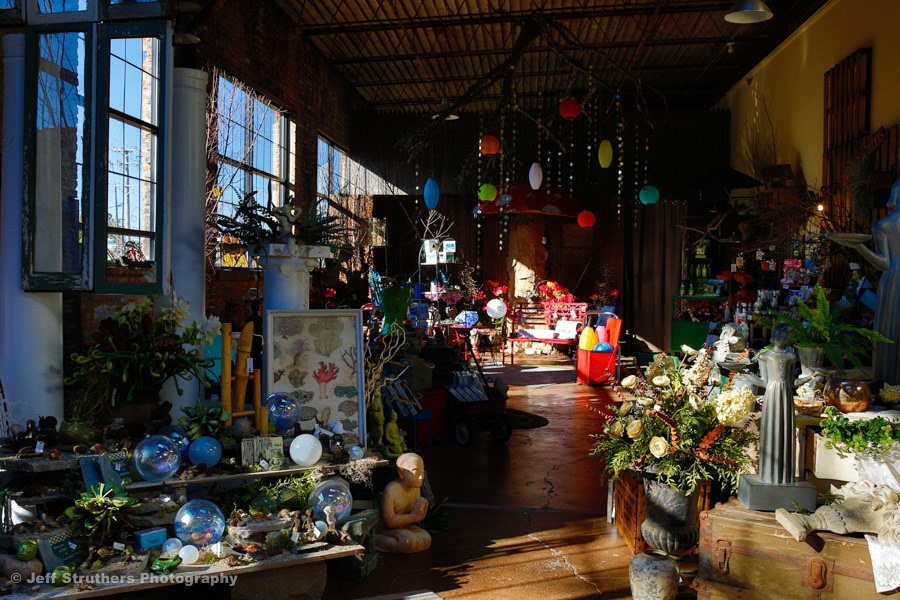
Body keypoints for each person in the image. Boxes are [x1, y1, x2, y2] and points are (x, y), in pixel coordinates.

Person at [832, 180, 900, 385]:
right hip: (893, 278)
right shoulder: (883, 226)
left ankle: (888, 384)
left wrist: (859, 247)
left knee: (891, 328)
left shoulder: (883, 225)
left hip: (894, 278)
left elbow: (883, 263)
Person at [742, 324, 809, 484]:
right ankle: (767, 475)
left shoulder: (791, 358)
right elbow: (763, 382)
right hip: (772, 394)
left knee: (786, 429)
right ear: (777, 335)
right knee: (770, 429)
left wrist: (811, 378)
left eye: (789, 335)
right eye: (785, 334)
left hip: (786, 395)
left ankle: (785, 477)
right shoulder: (764, 357)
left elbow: (793, 382)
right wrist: (743, 373)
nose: (787, 338)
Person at [374, 452, 432, 554]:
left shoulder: (415, 487)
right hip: (385, 529)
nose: (420, 477)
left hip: (404, 527)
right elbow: (389, 521)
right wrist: (414, 516)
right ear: (401, 473)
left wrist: (421, 511)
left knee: (426, 538)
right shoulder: (391, 490)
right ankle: (373, 542)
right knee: (408, 541)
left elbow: (415, 516)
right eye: (415, 472)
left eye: (422, 472)